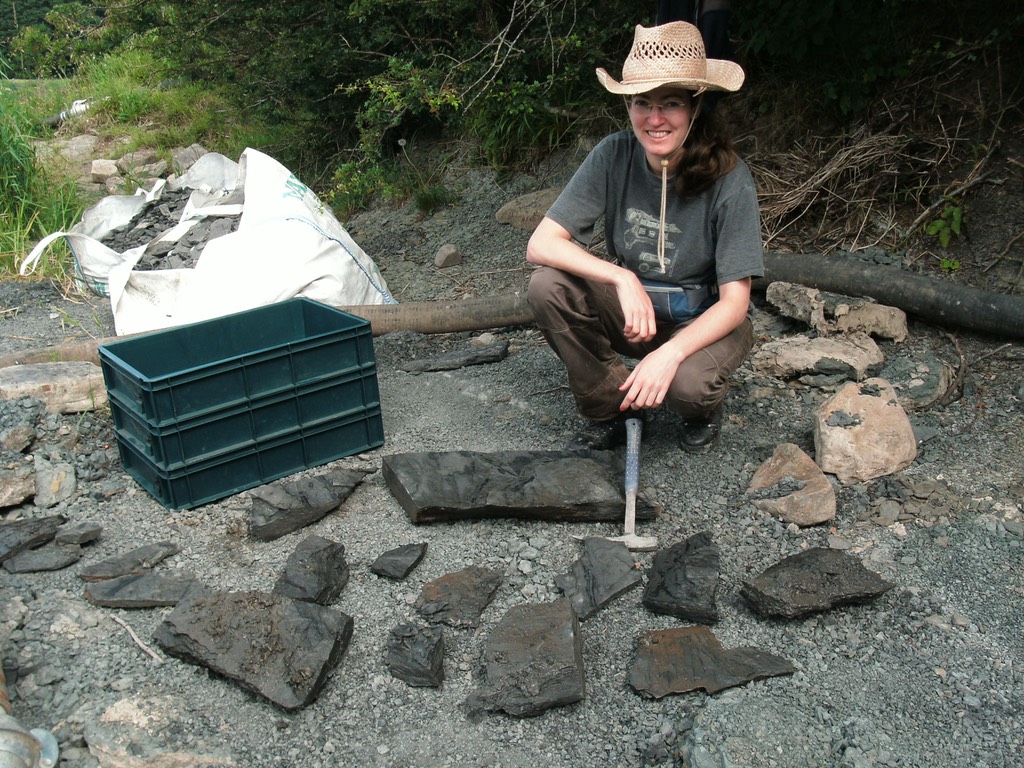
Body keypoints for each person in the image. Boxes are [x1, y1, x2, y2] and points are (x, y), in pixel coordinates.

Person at [526, 21, 763, 453]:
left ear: (694, 107)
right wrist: (622, 279)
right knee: (547, 285)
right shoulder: (613, 154)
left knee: (687, 390)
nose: (654, 119)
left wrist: (670, 355)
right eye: (642, 103)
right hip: (638, 314)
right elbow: (541, 244)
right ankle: (612, 407)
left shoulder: (731, 179)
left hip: (703, 319)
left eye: (669, 103)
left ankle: (701, 408)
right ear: (628, 107)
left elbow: (735, 303)